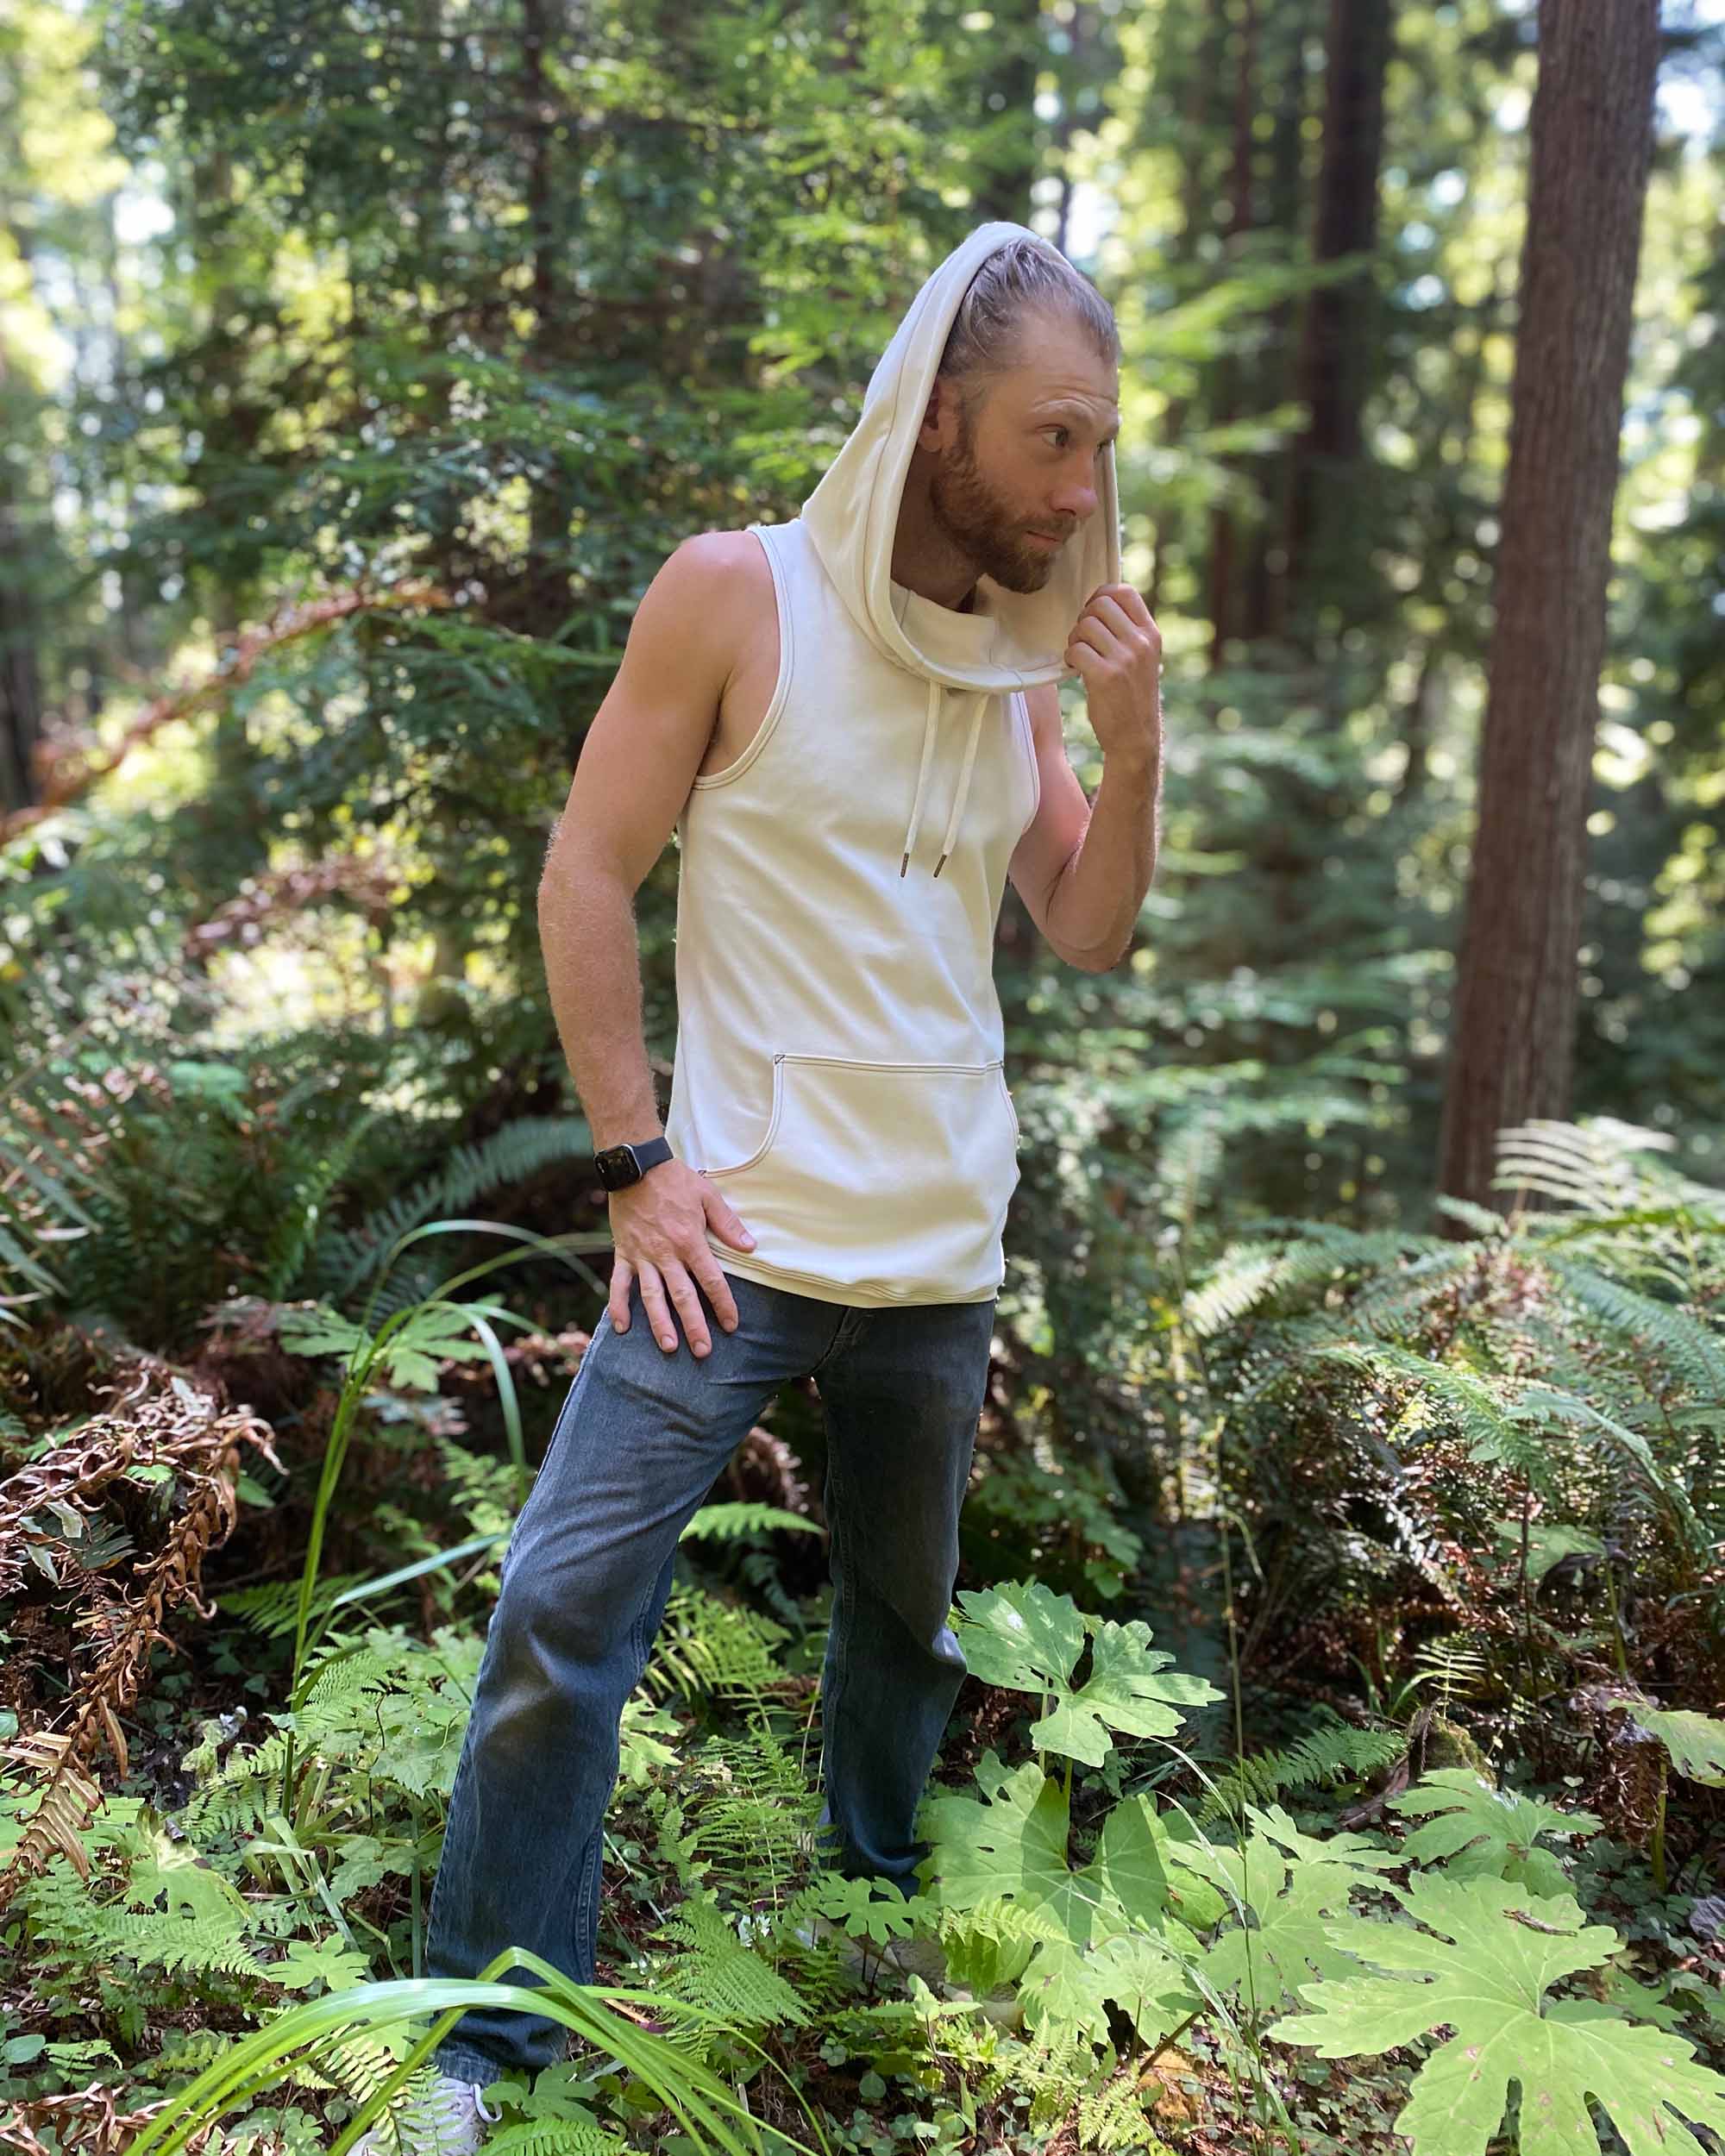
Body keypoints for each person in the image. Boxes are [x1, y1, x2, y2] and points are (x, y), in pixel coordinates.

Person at [359, 219, 1163, 2153]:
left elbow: (1089, 921)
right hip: (729, 1243)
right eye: (1052, 439)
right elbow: (583, 871)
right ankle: (486, 2043)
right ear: (938, 410)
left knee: (903, 1630)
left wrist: (1131, 743)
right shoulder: (738, 595)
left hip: (938, 1256)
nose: (1083, 488)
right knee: (565, 1605)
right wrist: (639, 1164)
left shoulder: (1015, 672)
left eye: (1100, 446)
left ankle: (866, 1927)